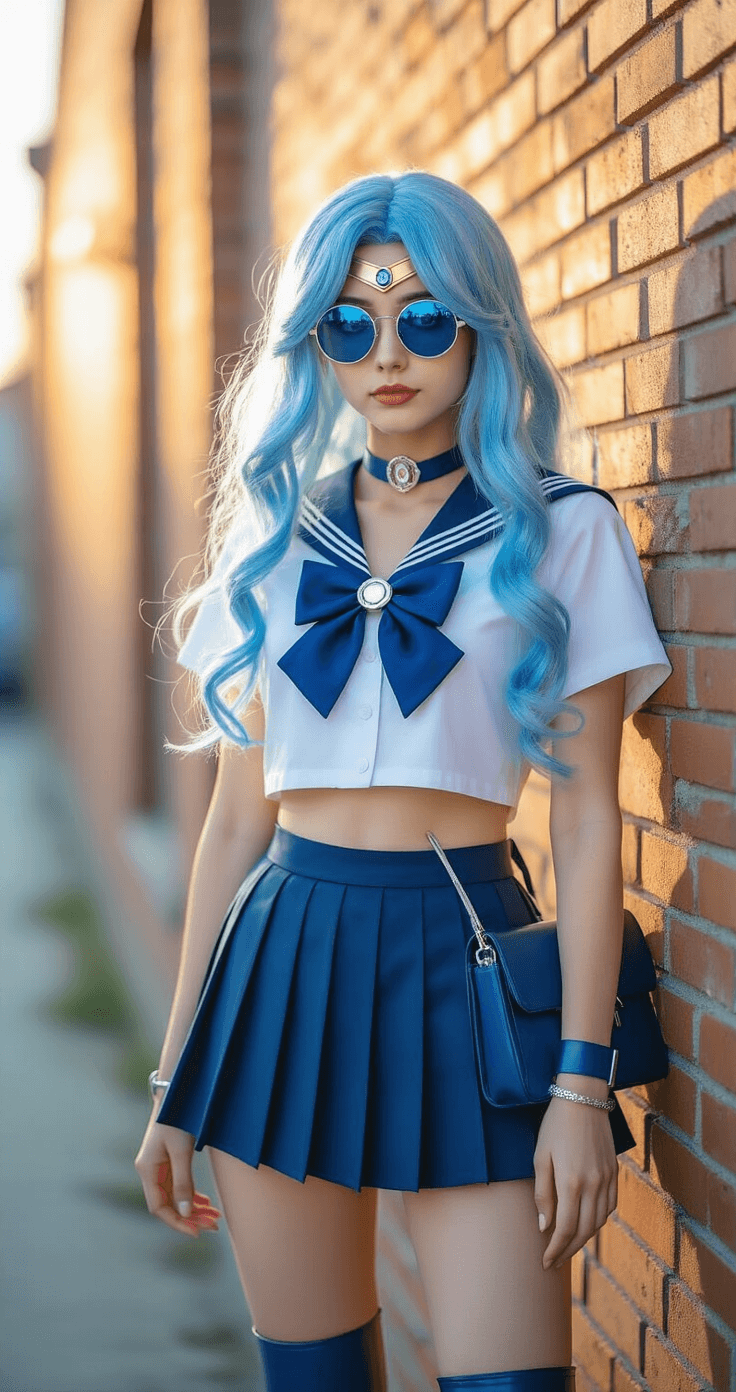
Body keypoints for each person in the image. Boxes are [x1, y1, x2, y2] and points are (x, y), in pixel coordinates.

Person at [135, 171, 671, 1392]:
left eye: (424, 318)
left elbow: (589, 828)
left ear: (480, 324)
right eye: (351, 323)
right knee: (313, 1376)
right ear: (316, 342)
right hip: (281, 960)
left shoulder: (560, 532)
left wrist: (579, 1081)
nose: (387, 353)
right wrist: (173, 1083)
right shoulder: (277, 542)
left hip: (465, 955)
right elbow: (232, 828)